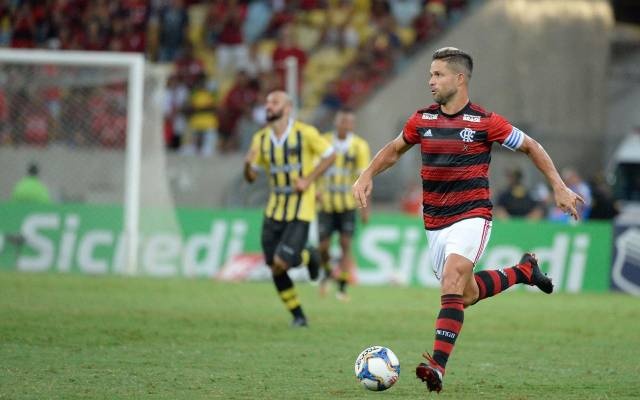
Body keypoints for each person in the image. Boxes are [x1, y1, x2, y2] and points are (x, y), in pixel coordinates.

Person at [352, 47, 584, 393]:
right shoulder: (422, 120)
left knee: (453, 279)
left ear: (459, 79)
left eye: (438, 74)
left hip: (472, 214)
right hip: (435, 221)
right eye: (430, 74)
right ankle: (523, 271)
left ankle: (437, 366)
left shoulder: (485, 122)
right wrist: (367, 174)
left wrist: (559, 186)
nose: (431, 81)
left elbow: (531, 146)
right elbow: (395, 149)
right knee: (464, 294)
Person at [244, 90, 336, 327]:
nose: (268, 106)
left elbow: (330, 155)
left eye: (274, 102)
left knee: (282, 261)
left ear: (287, 108)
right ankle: (298, 316)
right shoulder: (261, 139)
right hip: (273, 209)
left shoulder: (305, 133)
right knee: (274, 267)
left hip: (300, 209)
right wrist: (247, 165)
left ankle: (309, 255)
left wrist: (308, 180)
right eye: (267, 102)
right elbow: (251, 177)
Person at [316, 108, 371, 301]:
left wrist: (365, 209)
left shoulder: (359, 146)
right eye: (342, 121)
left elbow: (364, 178)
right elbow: (313, 169)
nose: (346, 125)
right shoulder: (323, 141)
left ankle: (342, 287)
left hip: (347, 204)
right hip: (325, 204)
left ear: (353, 125)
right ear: (336, 122)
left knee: (345, 244)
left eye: (349, 122)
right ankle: (327, 273)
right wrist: (314, 191)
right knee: (323, 246)